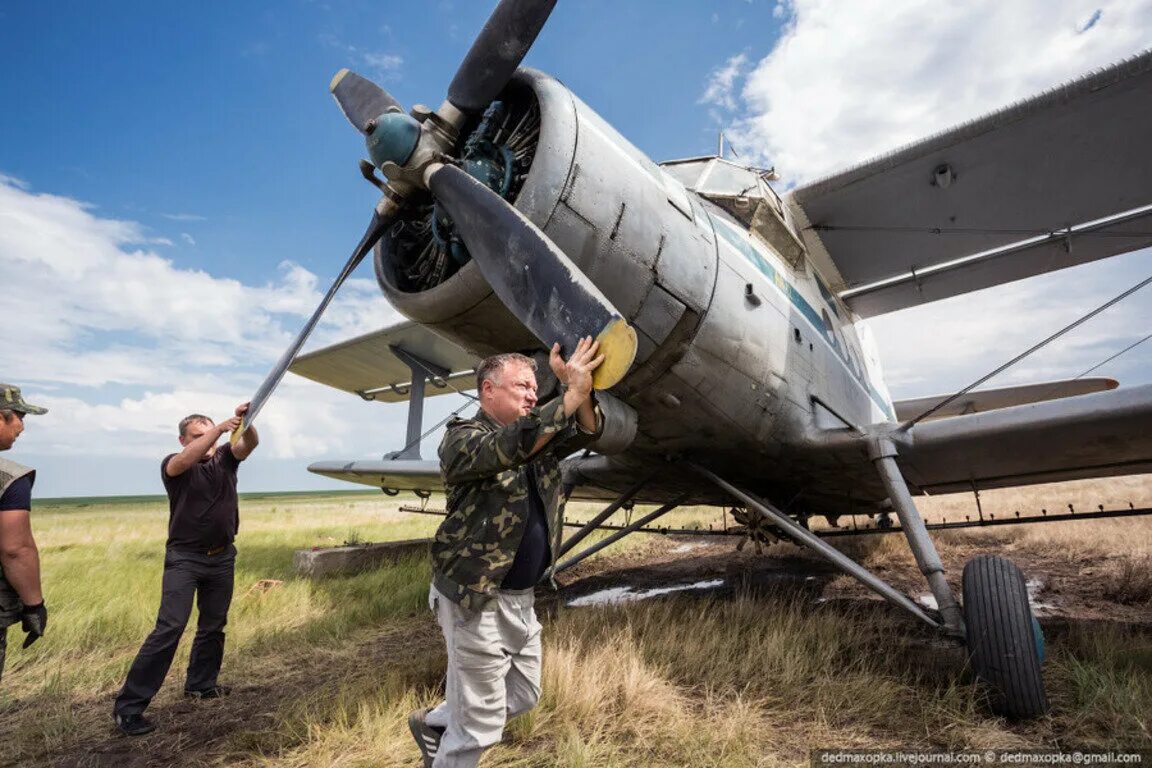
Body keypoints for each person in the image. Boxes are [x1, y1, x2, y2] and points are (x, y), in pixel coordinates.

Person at [410, 337, 606, 767]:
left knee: (524, 694)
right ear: (488, 390)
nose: (534, 394)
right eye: (522, 386)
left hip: (521, 598)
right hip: (475, 594)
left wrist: (582, 391)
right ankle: (453, 741)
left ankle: (439, 722)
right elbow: (510, 446)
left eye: (537, 388)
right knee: (479, 726)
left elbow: (588, 428)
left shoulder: (538, 439)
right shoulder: (463, 439)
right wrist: (568, 395)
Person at [112, 403, 259, 736]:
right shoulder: (174, 465)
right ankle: (129, 708)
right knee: (169, 627)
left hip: (222, 557)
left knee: (213, 625)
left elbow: (250, 443)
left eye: (207, 432)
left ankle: (201, 685)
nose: (206, 442)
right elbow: (185, 460)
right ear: (183, 440)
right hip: (185, 558)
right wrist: (217, 430)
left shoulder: (225, 459)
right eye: (197, 435)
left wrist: (246, 421)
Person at [0, 383, 49, 685]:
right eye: (19, 417)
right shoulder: (10, 477)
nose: (21, 427)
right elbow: (15, 549)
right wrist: (34, 606)